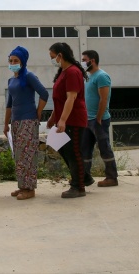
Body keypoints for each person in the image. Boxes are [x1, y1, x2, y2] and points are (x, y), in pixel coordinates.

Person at [3, 46, 48, 200]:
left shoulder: (29, 76)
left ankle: (30, 188)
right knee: (19, 155)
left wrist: (38, 112)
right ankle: (22, 185)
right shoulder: (12, 80)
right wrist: (5, 124)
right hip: (15, 122)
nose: (13, 63)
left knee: (28, 154)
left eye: (16, 60)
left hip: (28, 120)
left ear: (22, 61)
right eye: (11, 60)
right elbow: (9, 105)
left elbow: (44, 93)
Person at [46, 42, 89, 198]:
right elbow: (59, 99)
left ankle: (78, 186)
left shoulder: (72, 72)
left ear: (60, 55)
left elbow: (71, 98)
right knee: (62, 147)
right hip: (63, 119)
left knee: (73, 152)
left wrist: (62, 120)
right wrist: (53, 118)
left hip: (74, 119)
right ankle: (83, 177)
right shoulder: (63, 72)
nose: (51, 60)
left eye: (52, 57)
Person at [81, 50, 119, 187]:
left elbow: (104, 99)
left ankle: (112, 177)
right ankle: (84, 177)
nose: (83, 62)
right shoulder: (88, 77)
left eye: (84, 59)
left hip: (99, 120)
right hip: (87, 120)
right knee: (85, 150)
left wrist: (98, 118)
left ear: (92, 60)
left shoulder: (102, 76)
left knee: (104, 148)